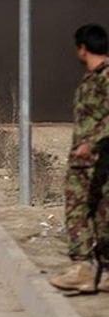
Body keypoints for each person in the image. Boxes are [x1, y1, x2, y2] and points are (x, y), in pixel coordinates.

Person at [50, 24, 109, 294]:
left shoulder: (105, 77)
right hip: (88, 162)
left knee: (82, 213)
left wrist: (90, 143)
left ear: (82, 48)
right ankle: (102, 271)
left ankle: (83, 268)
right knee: (97, 214)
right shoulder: (92, 77)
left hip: (97, 159)